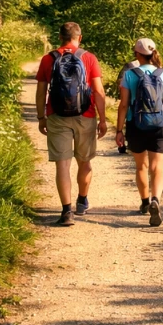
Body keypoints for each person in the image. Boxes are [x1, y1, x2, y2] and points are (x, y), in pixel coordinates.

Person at [36, 22, 107, 226]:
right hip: (85, 115)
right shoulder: (89, 57)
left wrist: (42, 117)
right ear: (79, 37)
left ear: (60, 37)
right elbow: (99, 91)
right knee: (84, 161)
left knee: (63, 164)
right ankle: (82, 201)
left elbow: (41, 91)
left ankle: (67, 212)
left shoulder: (48, 59)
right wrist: (102, 119)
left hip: (57, 116)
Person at [115, 38, 163, 227]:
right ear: (154, 53)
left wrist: (119, 130)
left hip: (136, 124)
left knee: (141, 166)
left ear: (137, 54)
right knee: (157, 168)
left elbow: (124, 105)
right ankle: (155, 200)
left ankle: (144, 203)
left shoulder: (130, 74)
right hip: (161, 124)